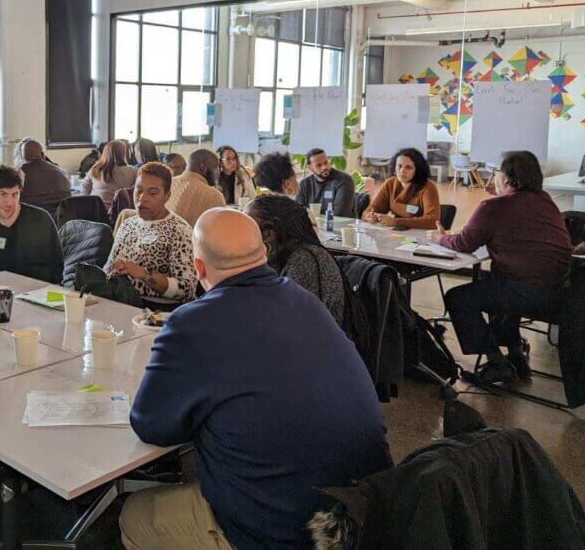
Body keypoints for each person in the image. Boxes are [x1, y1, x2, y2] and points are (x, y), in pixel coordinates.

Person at [120, 209, 391, 549]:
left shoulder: (193, 322)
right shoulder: (305, 302)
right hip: (364, 516)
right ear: (263, 252)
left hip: (286, 534)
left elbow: (151, 425)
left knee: (135, 515)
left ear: (199, 268)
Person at [432, 150, 571, 384]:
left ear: (505, 178)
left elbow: (464, 243)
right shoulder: (546, 202)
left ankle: (497, 362)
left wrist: (440, 238)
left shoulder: (494, 206)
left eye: (496, 172)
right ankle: (516, 356)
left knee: (459, 298)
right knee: (497, 285)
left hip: (522, 291)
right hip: (558, 294)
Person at [245, 194, 345, 324]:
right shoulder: (277, 254)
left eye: (247, 225)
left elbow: (289, 323)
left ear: (269, 234)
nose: (240, 229)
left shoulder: (304, 261)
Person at [106, 163, 197, 303]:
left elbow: (186, 289)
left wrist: (144, 275)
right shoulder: (128, 224)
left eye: (152, 192)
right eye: (139, 191)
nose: (142, 198)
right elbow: (108, 269)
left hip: (153, 312)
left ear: (167, 196)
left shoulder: (179, 230)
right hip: (118, 301)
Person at [363, 147, 439, 229]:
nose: (402, 170)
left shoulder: (428, 187)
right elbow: (368, 212)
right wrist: (370, 216)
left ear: (417, 170)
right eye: (399, 166)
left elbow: (432, 222)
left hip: (421, 236)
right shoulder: (390, 183)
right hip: (397, 234)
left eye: (408, 167)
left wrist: (395, 222)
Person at [166, 149, 225, 228]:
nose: (219, 172)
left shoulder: (167, 183)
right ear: (203, 167)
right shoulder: (213, 195)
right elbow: (221, 229)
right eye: (216, 167)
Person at [295, 148, 355, 218]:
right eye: (319, 165)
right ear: (310, 168)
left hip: (342, 227)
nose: (324, 167)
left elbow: (340, 215)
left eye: (326, 162)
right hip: (314, 226)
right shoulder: (304, 184)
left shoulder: (343, 180)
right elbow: (298, 212)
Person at [19, 139, 71, 214]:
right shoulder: (61, 171)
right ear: (43, 154)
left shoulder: (17, 175)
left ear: (22, 157)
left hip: (31, 220)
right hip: (60, 220)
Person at [82, 139, 137, 210]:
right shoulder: (132, 171)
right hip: (119, 214)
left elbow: (85, 189)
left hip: (96, 213)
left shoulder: (96, 169)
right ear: (124, 154)